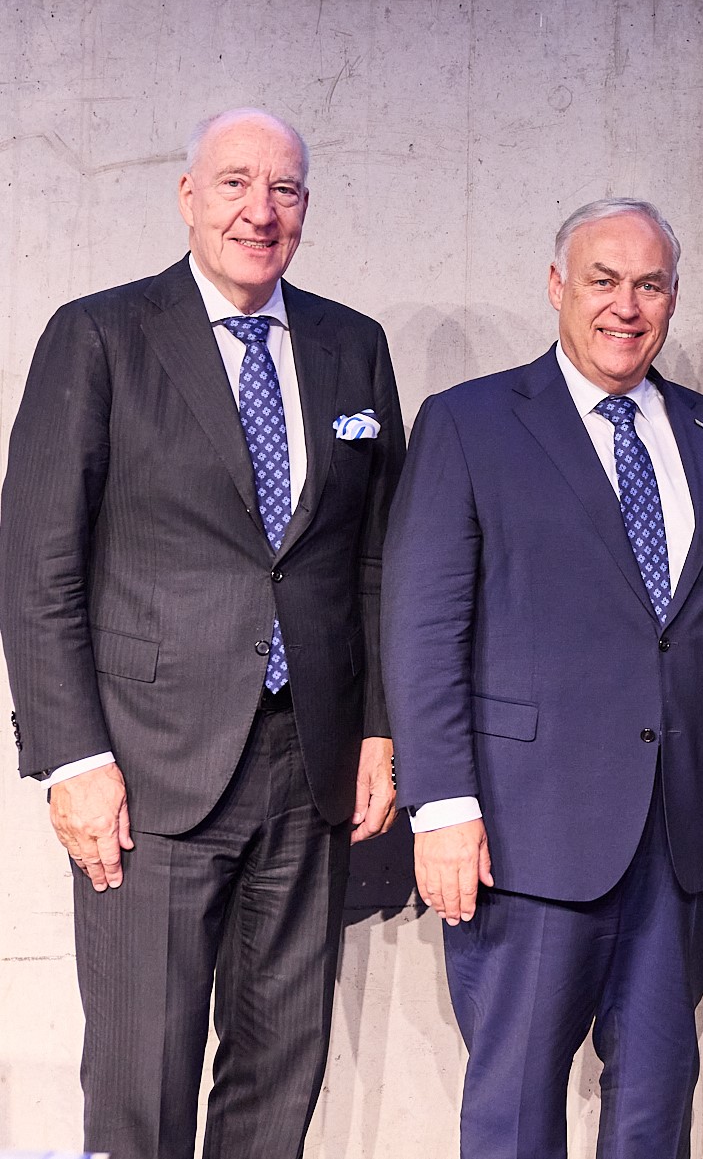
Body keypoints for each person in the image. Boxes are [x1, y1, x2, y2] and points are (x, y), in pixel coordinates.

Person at [0, 108, 405, 1159]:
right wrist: (73, 760)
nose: (259, 211)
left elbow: (374, 559)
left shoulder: (353, 346)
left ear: (306, 208)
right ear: (187, 197)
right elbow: (37, 563)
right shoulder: (100, 335)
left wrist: (378, 727)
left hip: (309, 767)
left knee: (280, 1079)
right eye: (234, 184)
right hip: (146, 772)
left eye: (284, 189)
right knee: (142, 1084)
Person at [381, 198, 703, 1158]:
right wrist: (441, 806)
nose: (625, 306)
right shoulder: (470, 423)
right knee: (516, 1111)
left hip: (679, 837)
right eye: (603, 280)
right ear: (558, 286)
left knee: (655, 1111)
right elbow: (423, 628)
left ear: (675, 298)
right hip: (523, 837)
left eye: (650, 285)